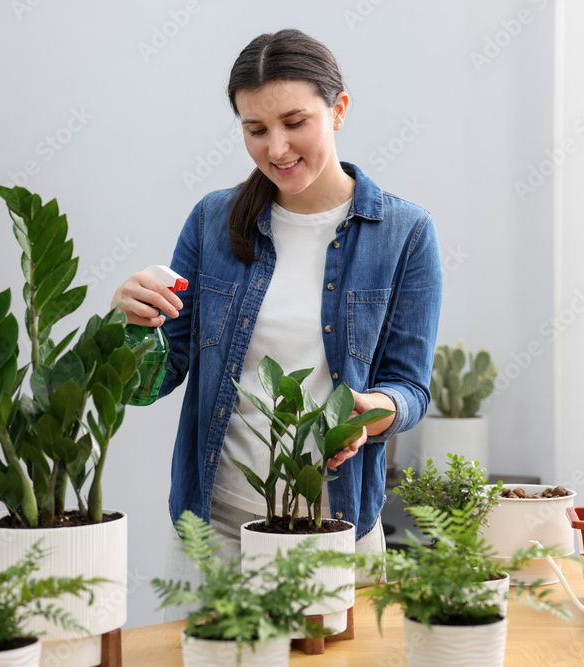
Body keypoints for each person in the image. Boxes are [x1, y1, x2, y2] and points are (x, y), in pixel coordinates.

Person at [111, 28, 441, 616]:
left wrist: (374, 410)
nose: (277, 148)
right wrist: (130, 327)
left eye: (294, 122)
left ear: (338, 110)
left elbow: (411, 388)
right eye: (256, 129)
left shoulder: (405, 233)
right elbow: (153, 380)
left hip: (335, 527)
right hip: (214, 529)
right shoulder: (212, 220)